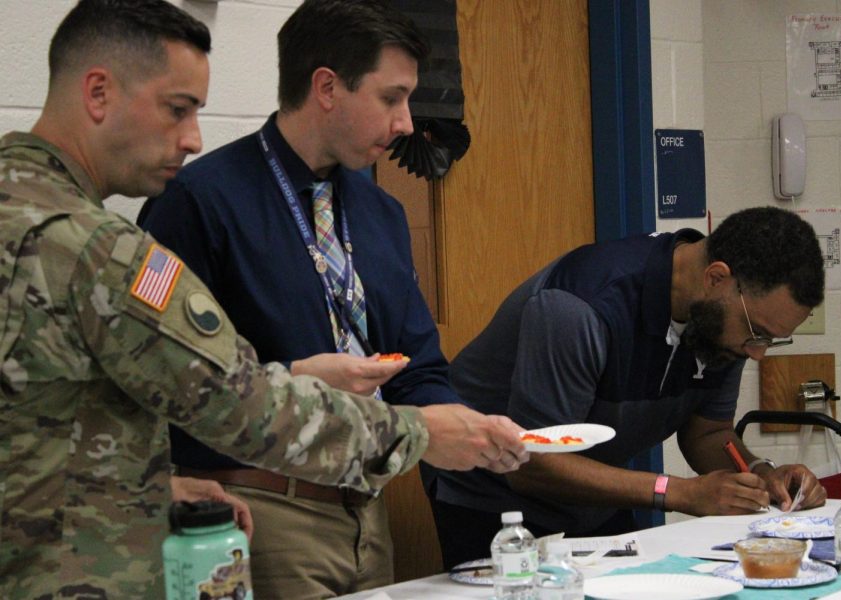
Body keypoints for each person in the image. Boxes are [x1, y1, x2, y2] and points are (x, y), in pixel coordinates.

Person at [0, 1, 525, 597]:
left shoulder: (25, 213)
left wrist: (146, 487)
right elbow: (233, 404)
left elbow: (40, 419)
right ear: (97, 93)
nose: (193, 139)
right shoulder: (106, 247)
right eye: (178, 110)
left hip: (352, 511)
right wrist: (419, 434)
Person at [427, 206, 831, 569]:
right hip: (495, 499)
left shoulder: (721, 320)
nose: (757, 354)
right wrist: (680, 493)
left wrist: (765, 475)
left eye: (771, 340)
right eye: (757, 333)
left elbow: (709, 433)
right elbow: (532, 463)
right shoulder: (582, 306)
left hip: (593, 497)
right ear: (716, 278)